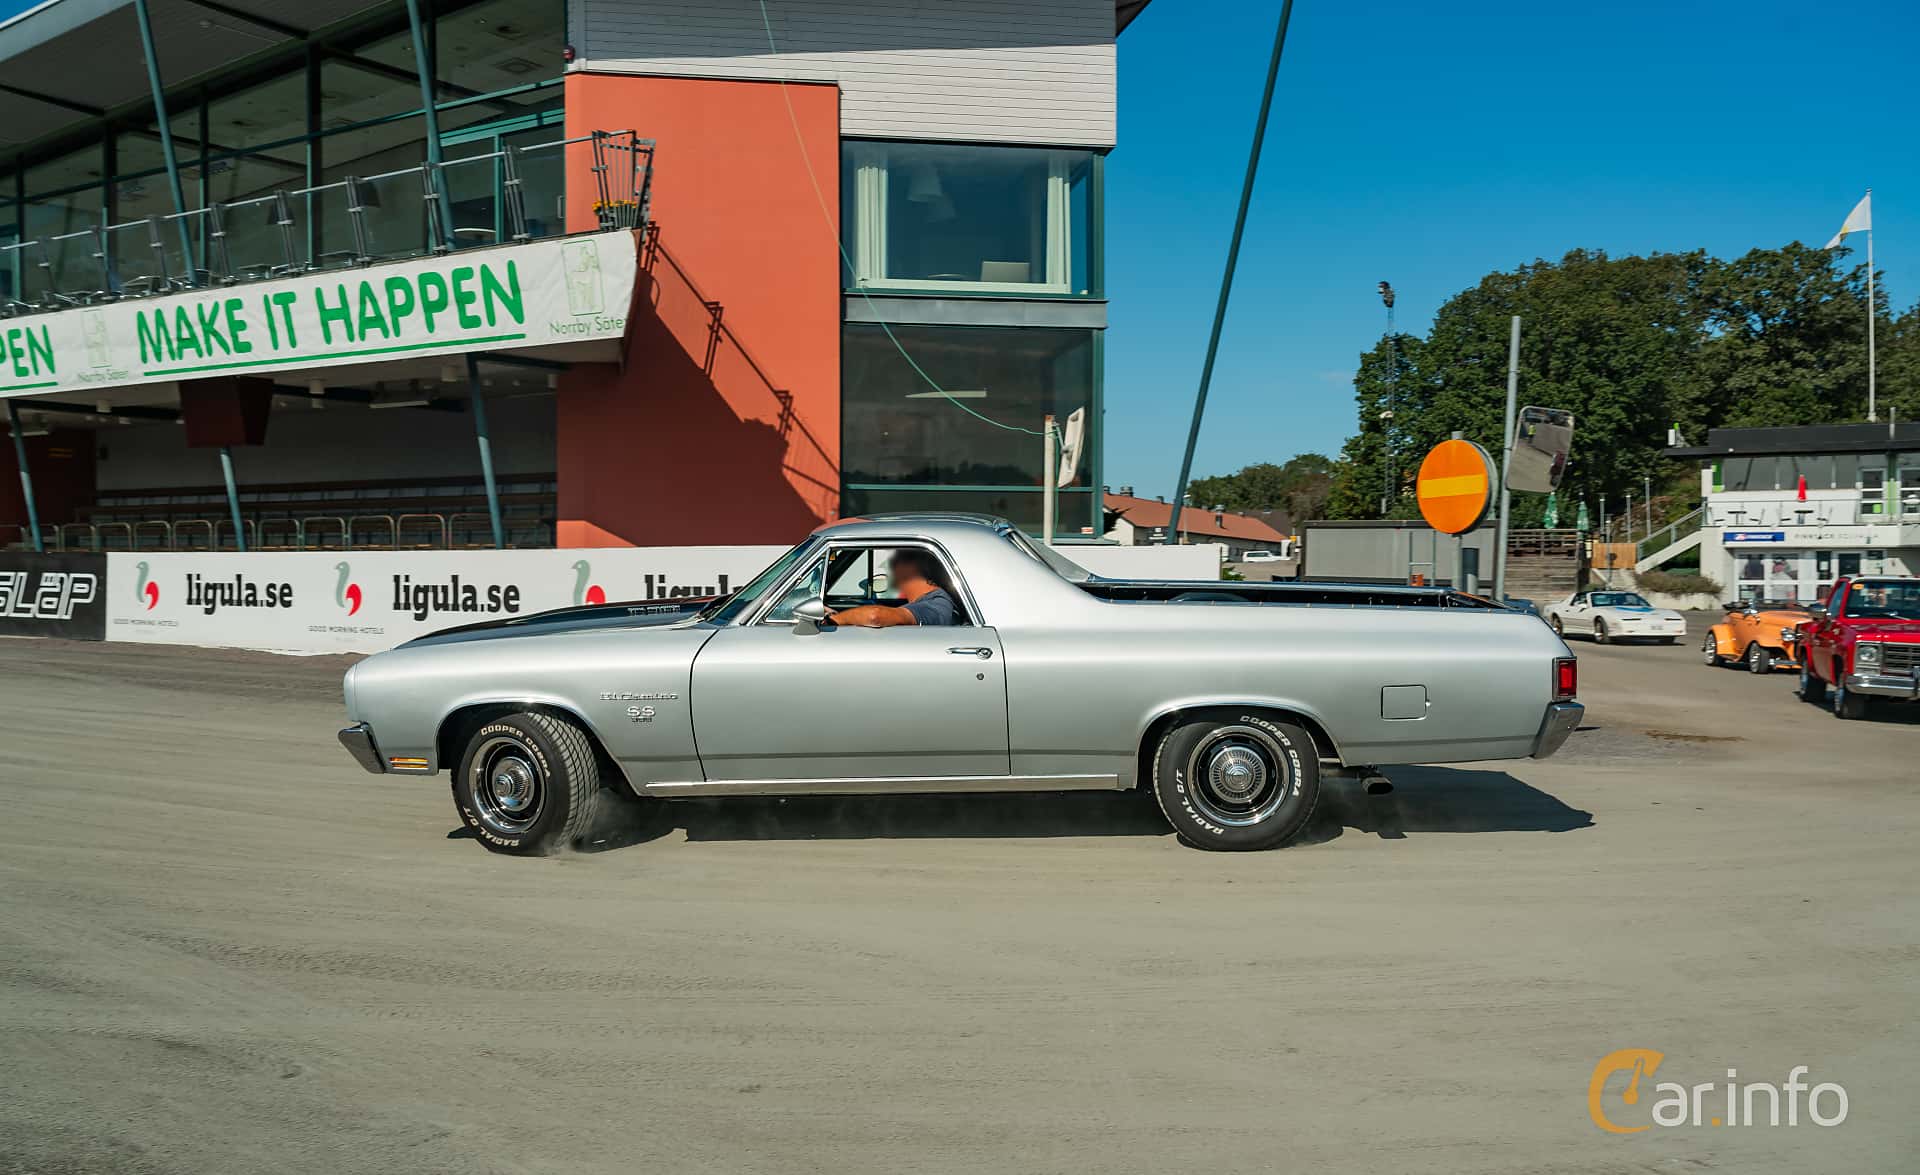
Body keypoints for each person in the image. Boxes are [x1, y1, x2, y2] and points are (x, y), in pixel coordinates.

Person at [828, 550, 959, 627]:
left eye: (896, 562)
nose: (891, 568)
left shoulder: (936, 604)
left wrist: (833, 620)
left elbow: (875, 616)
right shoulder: (930, 601)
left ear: (911, 568)